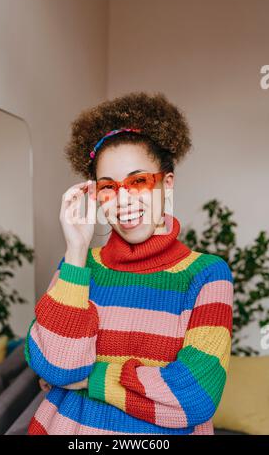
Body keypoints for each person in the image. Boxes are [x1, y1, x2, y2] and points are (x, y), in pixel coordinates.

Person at [24, 91, 234, 435]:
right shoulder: (76, 268)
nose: (123, 200)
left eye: (138, 181)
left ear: (166, 184)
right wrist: (76, 250)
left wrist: (90, 377)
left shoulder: (207, 274)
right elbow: (58, 369)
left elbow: (193, 396)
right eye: (108, 187)